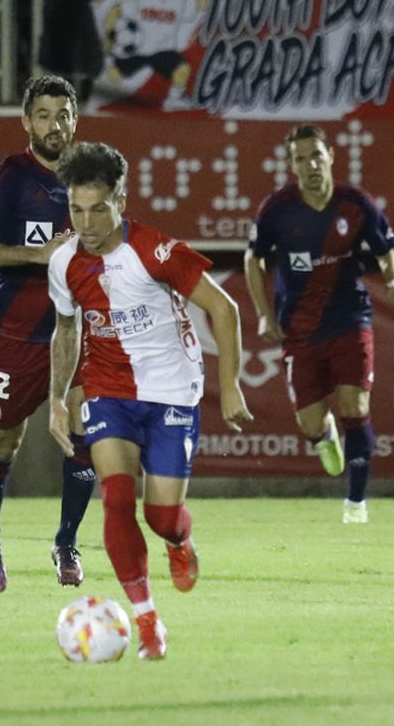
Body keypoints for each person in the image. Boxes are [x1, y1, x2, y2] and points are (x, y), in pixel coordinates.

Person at [47, 141, 254, 661]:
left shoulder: (155, 250)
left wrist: (229, 385)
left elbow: (224, 308)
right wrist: (55, 397)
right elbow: (66, 330)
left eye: (99, 209)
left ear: (121, 201)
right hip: (107, 390)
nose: (87, 222)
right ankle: (147, 624)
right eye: (76, 209)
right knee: (116, 498)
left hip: (171, 391)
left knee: (162, 517)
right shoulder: (63, 262)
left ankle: (178, 542)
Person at [0, 75, 97, 592]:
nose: (55, 124)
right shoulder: (10, 178)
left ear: (75, 120)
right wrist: (35, 256)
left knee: (85, 433)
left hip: (75, 334)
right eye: (44, 114)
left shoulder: (93, 178)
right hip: (17, 337)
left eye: (63, 114)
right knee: (4, 442)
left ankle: (66, 541)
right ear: (26, 121)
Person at [243, 124, 394, 525]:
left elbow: (388, 253)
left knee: (357, 405)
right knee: (310, 422)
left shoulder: (357, 204)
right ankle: (324, 436)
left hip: (351, 319)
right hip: (299, 328)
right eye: (301, 158)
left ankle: (355, 504)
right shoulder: (277, 209)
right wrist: (264, 312)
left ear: (331, 155)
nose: (310, 164)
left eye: (316, 155)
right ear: (291, 165)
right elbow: (253, 260)